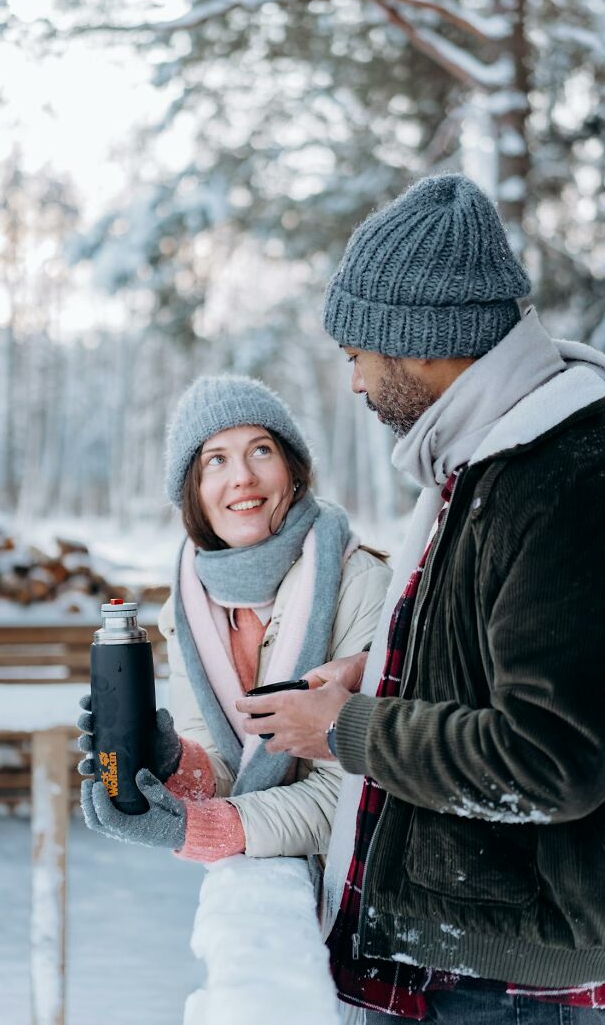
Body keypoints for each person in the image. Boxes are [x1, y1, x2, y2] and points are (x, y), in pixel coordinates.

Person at [239, 175, 605, 1023]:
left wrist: (345, 730)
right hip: (469, 959)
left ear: (421, 341)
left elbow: (552, 761)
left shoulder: (560, 479)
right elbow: (504, 651)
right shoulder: (489, 458)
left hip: (514, 987)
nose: (358, 384)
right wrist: (387, 666)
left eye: (358, 354)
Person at [78, 374, 391, 871]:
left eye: (261, 450)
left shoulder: (360, 585)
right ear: (195, 491)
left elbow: (353, 791)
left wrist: (201, 828)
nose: (242, 476)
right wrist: (173, 762)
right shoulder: (188, 608)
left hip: (363, 891)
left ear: (293, 469)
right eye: (216, 460)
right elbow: (226, 768)